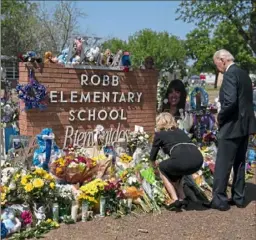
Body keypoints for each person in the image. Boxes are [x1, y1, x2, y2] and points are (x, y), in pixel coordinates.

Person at [205, 49, 256, 211]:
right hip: (245, 126)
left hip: (232, 126)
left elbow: (230, 102)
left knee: (223, 163)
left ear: (222, 60)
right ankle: (239, 197)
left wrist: (220, 117)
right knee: (240, 162)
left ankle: (219, 199)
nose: (217, 67)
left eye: (217, 64)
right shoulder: (244, 74)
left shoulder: (229, 75)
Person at [149, 112, 203, 210]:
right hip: (198, 160)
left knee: (162, 167)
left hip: (181, 161)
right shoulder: (181, 132)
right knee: (179, 169)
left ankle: (175, 199)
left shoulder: (160, 134)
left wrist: (154, 169)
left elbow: (152, 156)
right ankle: (183, 197)